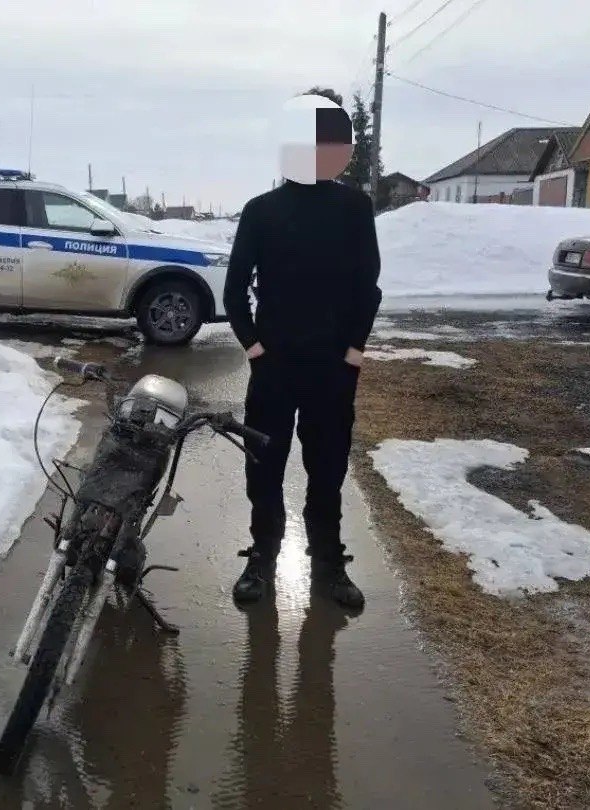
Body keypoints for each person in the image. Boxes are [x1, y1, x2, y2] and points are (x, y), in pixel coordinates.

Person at [223, 93, 381, 608]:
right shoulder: (261, 212)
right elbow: (233, 290)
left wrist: (354, 351)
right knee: (264, 467)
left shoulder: (355, 209)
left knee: (328, 468)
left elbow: (367, 286)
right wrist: (254, 347)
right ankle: (263, 557)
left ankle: (329, 562)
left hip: (333, 369)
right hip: (273, 369)